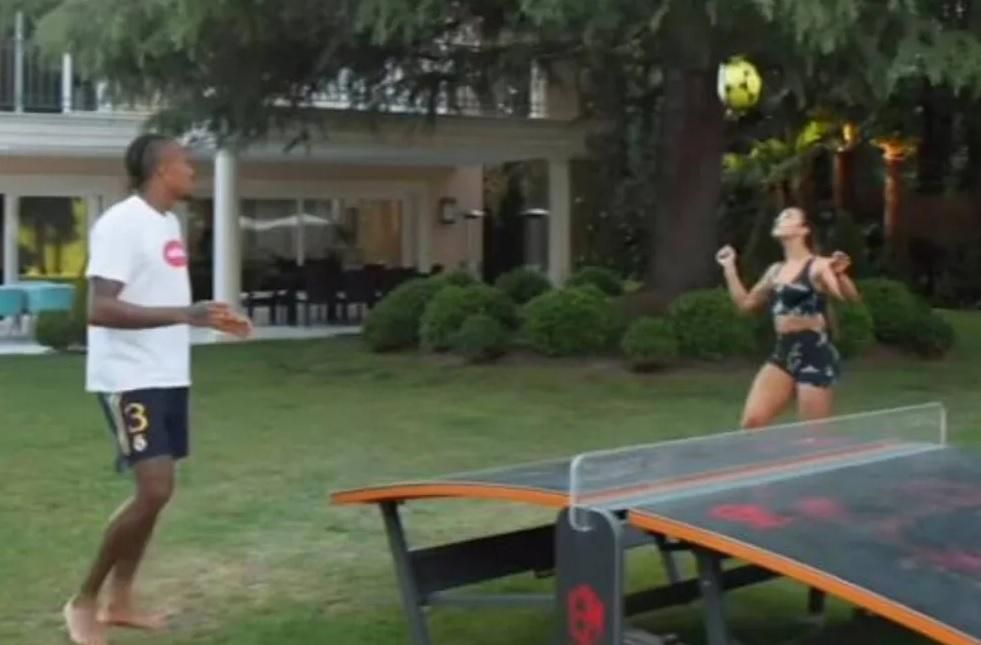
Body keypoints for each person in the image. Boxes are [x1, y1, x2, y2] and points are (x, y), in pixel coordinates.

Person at [64, 134, 251, 645]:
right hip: (129, 377)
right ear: (162, 170)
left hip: (168, 374)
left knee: (155, 495)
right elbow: (101, 309)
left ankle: (121, 600)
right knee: (154, 489)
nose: (192, 171)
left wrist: (209, 317)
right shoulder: (120, 224)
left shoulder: (167, 223)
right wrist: (183, 315)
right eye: (185, 163)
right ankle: (83, 601)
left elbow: (162, 299)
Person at [716, 206, 860, 430]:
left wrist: (840, 274)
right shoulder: (775, 271)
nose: (780, 219)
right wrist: (729, 268)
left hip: (814, 351)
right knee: (752, 422)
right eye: (780, 216)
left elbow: (850, 298)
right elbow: (745, 305)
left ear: (803, 230)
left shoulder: (818, 265)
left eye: (789, 216)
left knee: (812, 434)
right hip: (784, 350)